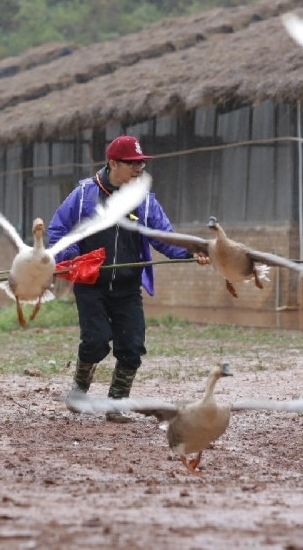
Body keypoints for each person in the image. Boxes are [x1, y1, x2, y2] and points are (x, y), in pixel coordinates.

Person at [48, 135, 209, 422]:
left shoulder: (146, 203)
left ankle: (116, 404)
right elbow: (59, 231)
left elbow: (166, 239)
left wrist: (192, 252)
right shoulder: (84, 195)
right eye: (132, 164)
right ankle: (79, 390)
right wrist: (70, 260)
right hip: (91, 285)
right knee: (96, 341)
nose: (139, 169)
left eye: (141, 164)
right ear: (113, 163)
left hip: (127, 287)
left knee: (132, 346)